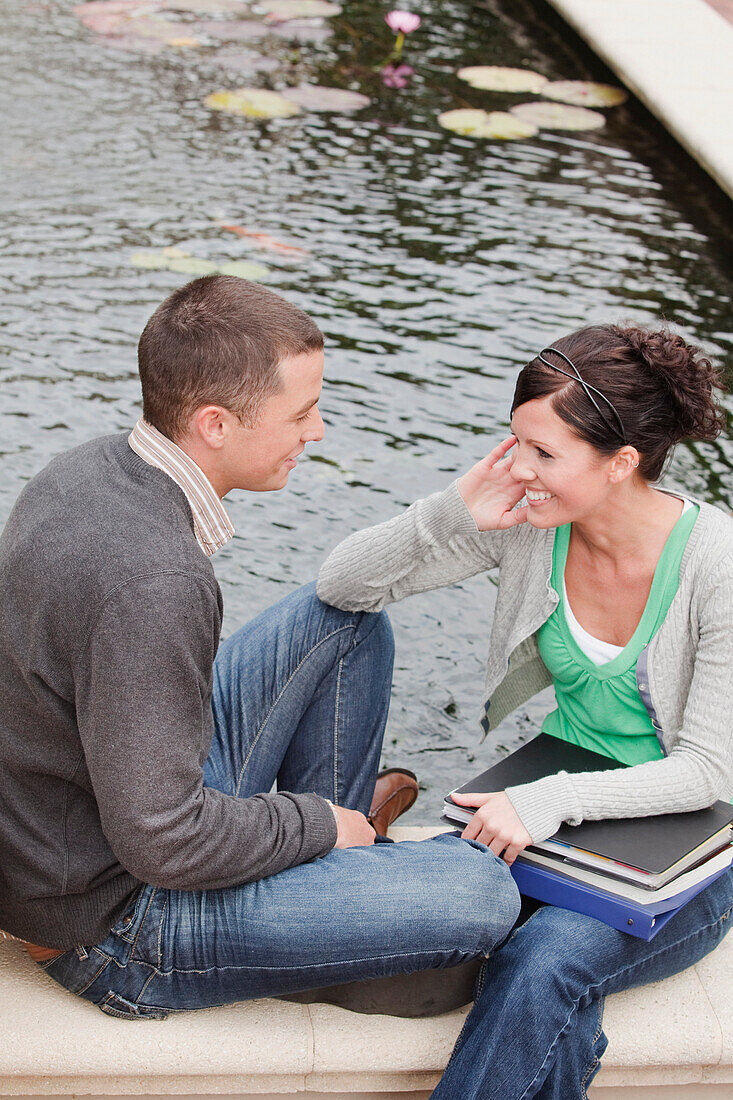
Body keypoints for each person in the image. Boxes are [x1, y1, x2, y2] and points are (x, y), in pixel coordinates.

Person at [0, 275, 521, 1017]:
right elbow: (163, 842)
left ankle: (333, 884)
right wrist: (318, 824)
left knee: (344, 624)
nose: (316, 432)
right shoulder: (155, 578)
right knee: (481, 892)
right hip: (111, 920)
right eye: (301, 413)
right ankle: (343, 873)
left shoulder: (86, 468)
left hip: (94, 814)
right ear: (216, 424)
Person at [317, 323, 733, 1099]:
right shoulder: (531, 528)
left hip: (686, 853)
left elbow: (707, 771)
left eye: (544, 454)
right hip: (550, 818)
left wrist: (547, 801)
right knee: (416, 931)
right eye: (514, 443)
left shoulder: (717, 564)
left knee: (544, 961)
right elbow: (343, 586)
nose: (519, 468)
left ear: (621, 463)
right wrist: (451, 509)